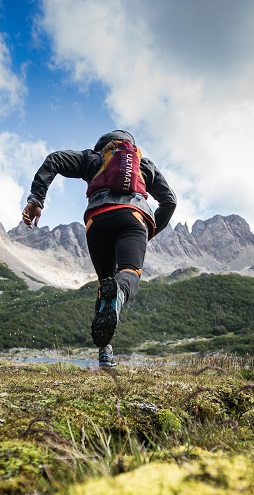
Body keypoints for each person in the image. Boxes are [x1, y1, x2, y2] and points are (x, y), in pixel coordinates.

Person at [21, 130, 177, 368]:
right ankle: (120, 294)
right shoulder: (145, 165)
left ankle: (105, 352)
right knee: (128, 273)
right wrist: (148, 231)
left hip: (96, 221)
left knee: (104, 283)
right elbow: (170, 201)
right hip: (132, 217)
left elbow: (54, 159)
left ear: (102, 147)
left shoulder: (92, 158)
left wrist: (36, 200)